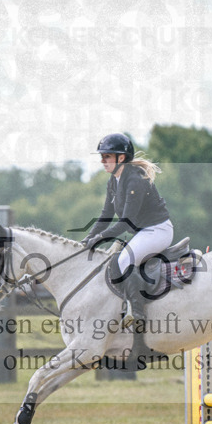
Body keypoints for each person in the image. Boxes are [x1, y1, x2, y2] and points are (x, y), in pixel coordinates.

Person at [81, 133, 173, 368]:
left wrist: (99, 239)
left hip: (157, 230)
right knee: (114, 262)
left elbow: (127, 222)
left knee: (124, 261)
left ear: (121, 157)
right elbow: (105, 215)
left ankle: (137, 318)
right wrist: (88, 239)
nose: (102, 161)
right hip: (143, 232)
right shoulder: (114, 181)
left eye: (107, 156)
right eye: (102, 156)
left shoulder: (135, 180)